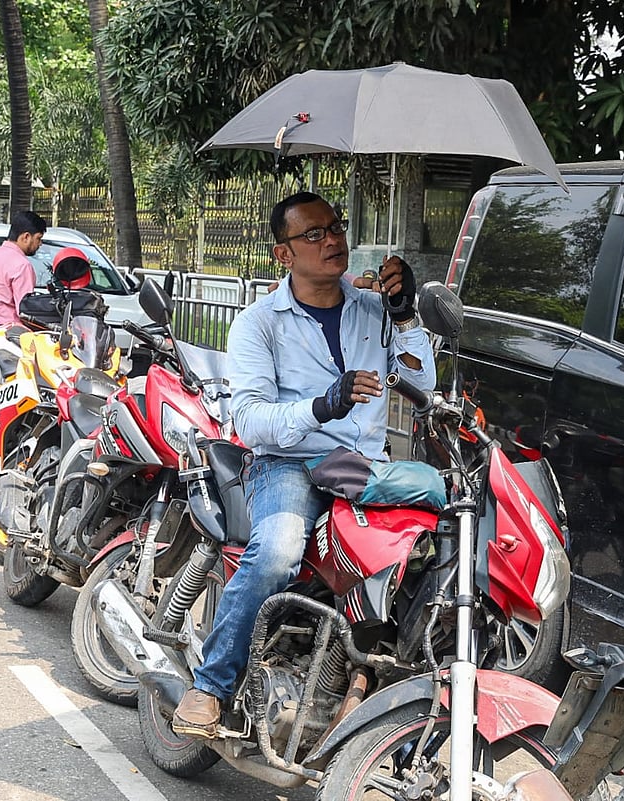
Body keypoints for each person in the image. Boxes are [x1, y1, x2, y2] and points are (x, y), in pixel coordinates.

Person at [171, 192, 437, 738]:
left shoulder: (372, 309)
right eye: (314, 234)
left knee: (437, 531)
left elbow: (421, 383)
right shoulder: (258, 323)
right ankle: (211, 687)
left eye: (335, 227)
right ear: (283, 254)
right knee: (277, 553)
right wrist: (323, 405)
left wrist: (406, 315)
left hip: (364, 466)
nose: (332, 240)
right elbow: (249, 420)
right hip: (290, 466)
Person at [0, 210, 45, 345]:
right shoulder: (22, 265)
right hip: (13, 337)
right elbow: (25, 311)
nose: (40, 244)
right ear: (26, 237)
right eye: (38, 238)